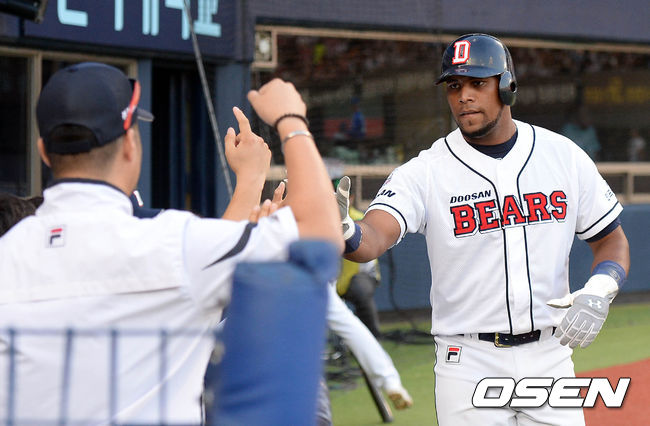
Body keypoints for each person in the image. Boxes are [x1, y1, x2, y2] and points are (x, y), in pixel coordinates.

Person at [0, 62, 342, 424]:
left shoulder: (9, 251)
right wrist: (291, 122)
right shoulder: (171, 243)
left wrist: (250, 181)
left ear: (43, 150)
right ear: (130, 144)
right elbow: (322, 235)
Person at [337, 34, 630, 425]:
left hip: (549, 354)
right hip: (468, 360)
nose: (464, 96)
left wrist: (601, 288)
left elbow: (611, 241)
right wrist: (345, 231)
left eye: (478, 83)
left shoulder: (562, 156)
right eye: (454, 86)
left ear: (507, 86)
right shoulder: (425, 171)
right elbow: (372, 238)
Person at [336, 187, 383, 338]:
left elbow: (365, 257)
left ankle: (373, 337)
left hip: (360, 276)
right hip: (334, 278)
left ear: (351, 198)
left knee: (360, 289)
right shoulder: (323, 219)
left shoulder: (359, 218)